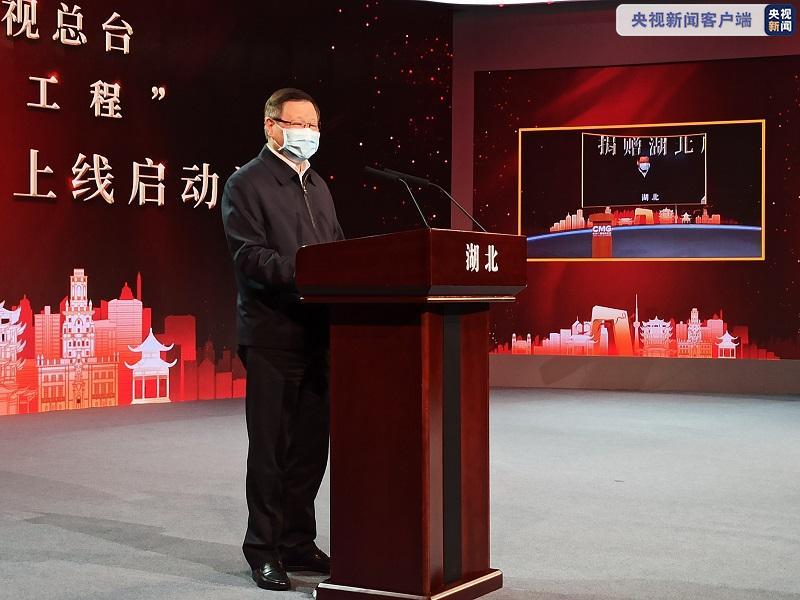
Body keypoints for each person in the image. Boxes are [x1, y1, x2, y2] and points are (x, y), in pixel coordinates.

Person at [221, 88, 344, 591]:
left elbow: (338, 249)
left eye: (313, 126)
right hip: (272, 334)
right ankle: (263, 548)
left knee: (311, 448)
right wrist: (310, 272)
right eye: (298, 125)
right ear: (272, 126)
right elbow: (249, 257)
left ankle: (297, 540)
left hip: (320, 333)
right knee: (272, 447)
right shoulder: (245, 184)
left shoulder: (317, 184)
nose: (308, 134)